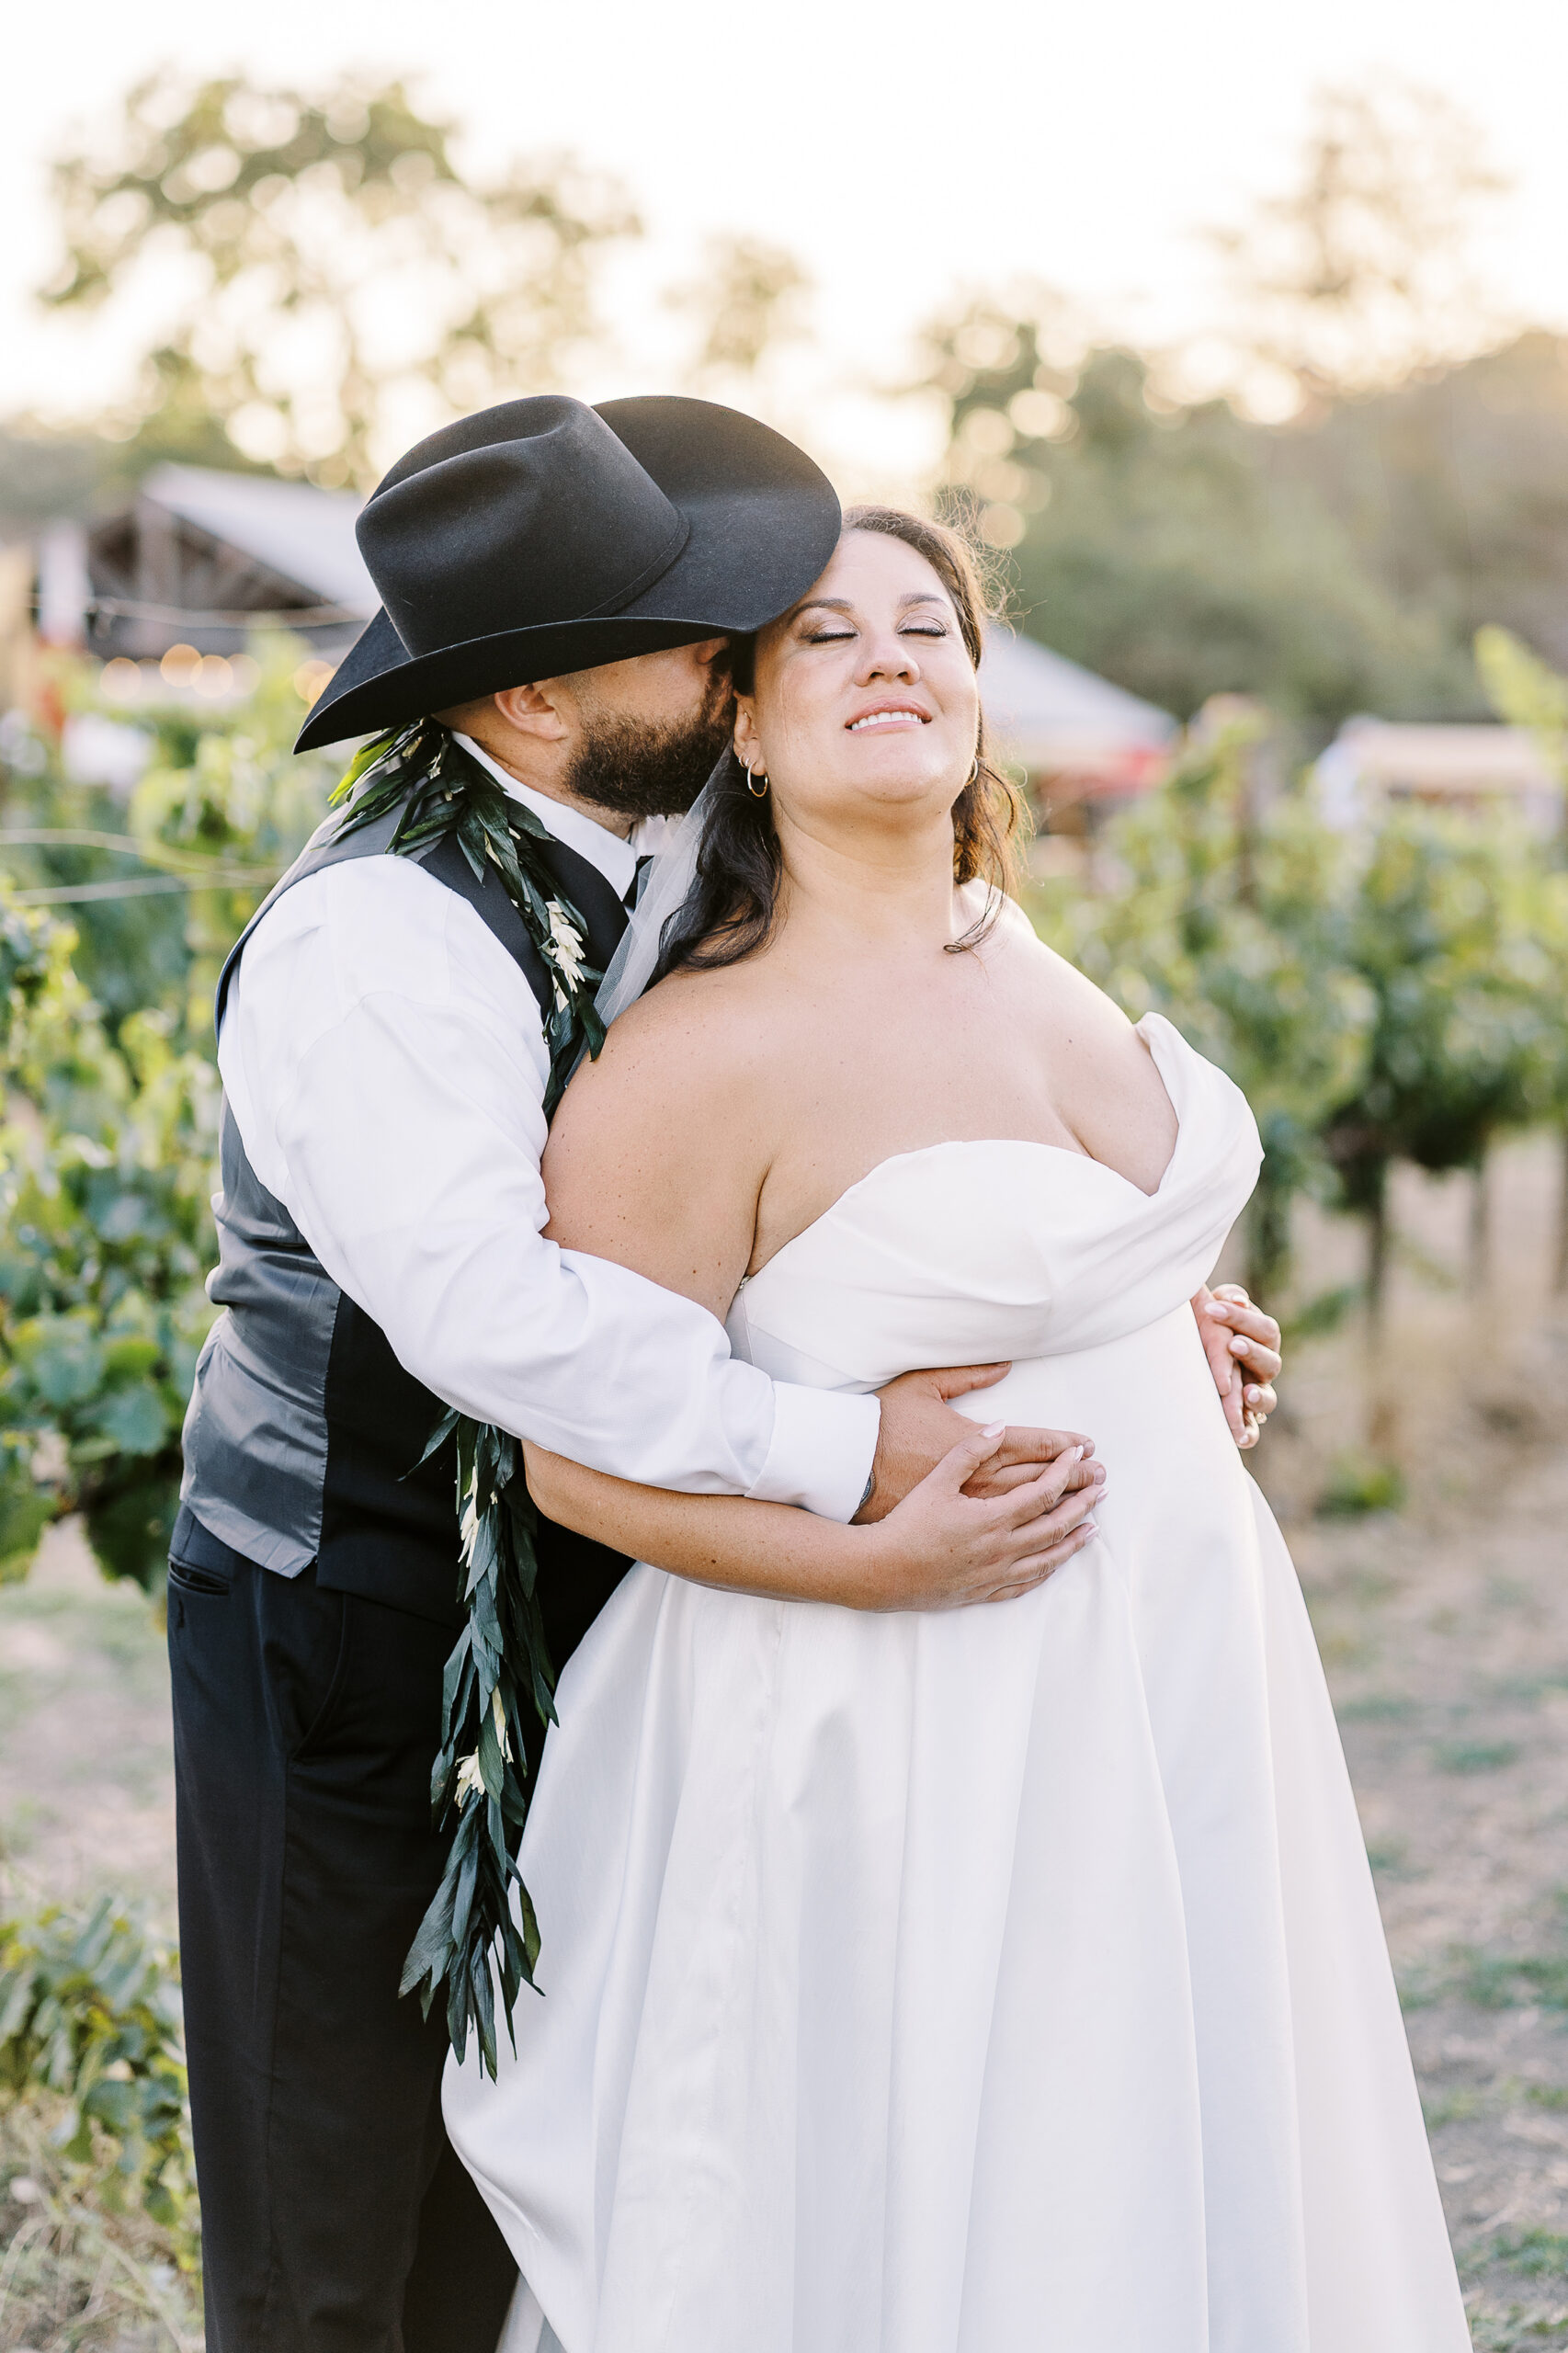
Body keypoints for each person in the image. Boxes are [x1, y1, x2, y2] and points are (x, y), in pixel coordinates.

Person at [170, 398, 1284, 2353]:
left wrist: (1098, 1326)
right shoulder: (373, 941)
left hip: (620, 1596)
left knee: (567, 2165)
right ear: (531, 705)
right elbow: (506, 1322)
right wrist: (855, 1448)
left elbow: (867, 1100)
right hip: (345, 1623)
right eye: (689, 636)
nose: (739, 651)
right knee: (336, 2201)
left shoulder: (665, 828)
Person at [442, 506, 1468, 2353]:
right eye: (825, 637)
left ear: (983, 700)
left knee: (1176, 2138)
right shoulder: (691, 1056)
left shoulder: (1030, 962)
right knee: (957, 2194)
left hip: (1168, 1676)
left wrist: (1171, 1323)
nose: (892, 656)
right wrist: (876, 1556)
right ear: (741, 726)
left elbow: (1075, 1256)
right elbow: (576, 1460)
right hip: (907, 1718)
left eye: (930, 623)